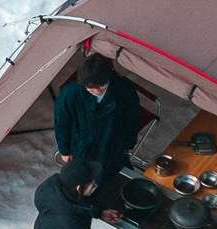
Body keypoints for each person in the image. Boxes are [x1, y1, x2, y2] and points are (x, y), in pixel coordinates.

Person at [52, 53, 147, 192]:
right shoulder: (70, 93)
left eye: (101, 87)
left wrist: (128, 143)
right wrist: (65, 150)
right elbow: (61, 122)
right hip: (80, 143)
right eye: (90, 88)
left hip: (111, 143)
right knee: (80, 179)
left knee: (107, 177)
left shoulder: (124, 90)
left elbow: (131, 119)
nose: (96, 91)